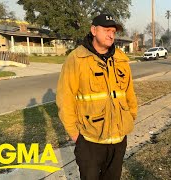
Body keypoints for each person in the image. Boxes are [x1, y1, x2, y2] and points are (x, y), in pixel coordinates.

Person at [56, 14, 138, 180]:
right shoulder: (76, 59)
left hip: (118, 139)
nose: (111, 35)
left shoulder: (121, 59)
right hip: (90, 141)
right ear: (93, 30)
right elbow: (65, 99)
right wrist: (75, 134)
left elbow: (129, 93)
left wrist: (130, 117)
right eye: (107, 30)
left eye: (113, 31)